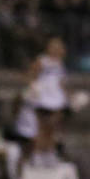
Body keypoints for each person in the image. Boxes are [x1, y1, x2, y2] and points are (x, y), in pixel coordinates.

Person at [28, 36, 68, 167]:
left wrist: (68, 97)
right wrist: (34, 87)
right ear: (48, 48)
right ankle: (38, 154)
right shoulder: (42, 61)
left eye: (58, 46)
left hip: (56, 99)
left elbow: (61, 83)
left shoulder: (60, 63)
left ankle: (49, 152)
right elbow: (31, 74)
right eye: (53, 46)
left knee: (53, 127)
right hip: (43, 98)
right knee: (42, 127)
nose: (56, 49)